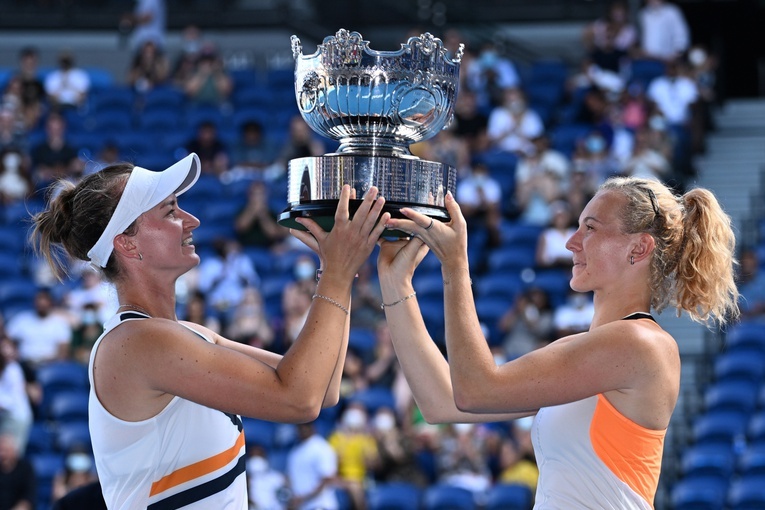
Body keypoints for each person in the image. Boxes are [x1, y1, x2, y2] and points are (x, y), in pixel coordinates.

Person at [30, 152, 389, 509]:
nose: (192, 220)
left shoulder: (182, 334)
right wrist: (337, 275)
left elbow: (323, 387)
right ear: (127, 244)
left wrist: (338, 269)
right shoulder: (137, 343)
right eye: (170, 211)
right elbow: (301, 398)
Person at [376, 175, 739, 508]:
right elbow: (443, 401)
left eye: (590, 228)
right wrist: (396, 282)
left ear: (639, 248)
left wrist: (455, 265)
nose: (571, 241)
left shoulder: (640, 344)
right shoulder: (595, 348)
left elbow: (475, 390)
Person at [286, 421, 339, 510]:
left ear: (312, 427)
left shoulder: (322, 448)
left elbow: (327, 480)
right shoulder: (295, 451)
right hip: (301, 507)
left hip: (321, 505)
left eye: (304, 426)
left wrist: (304, 498)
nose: (301, 430)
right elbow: (289, 478)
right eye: (299, 427)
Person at [0, 432, 36, 510]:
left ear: (14, 451)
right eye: (0, 450)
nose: (2, 455)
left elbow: (27, 501)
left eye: (6, 450)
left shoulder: (26, 469)